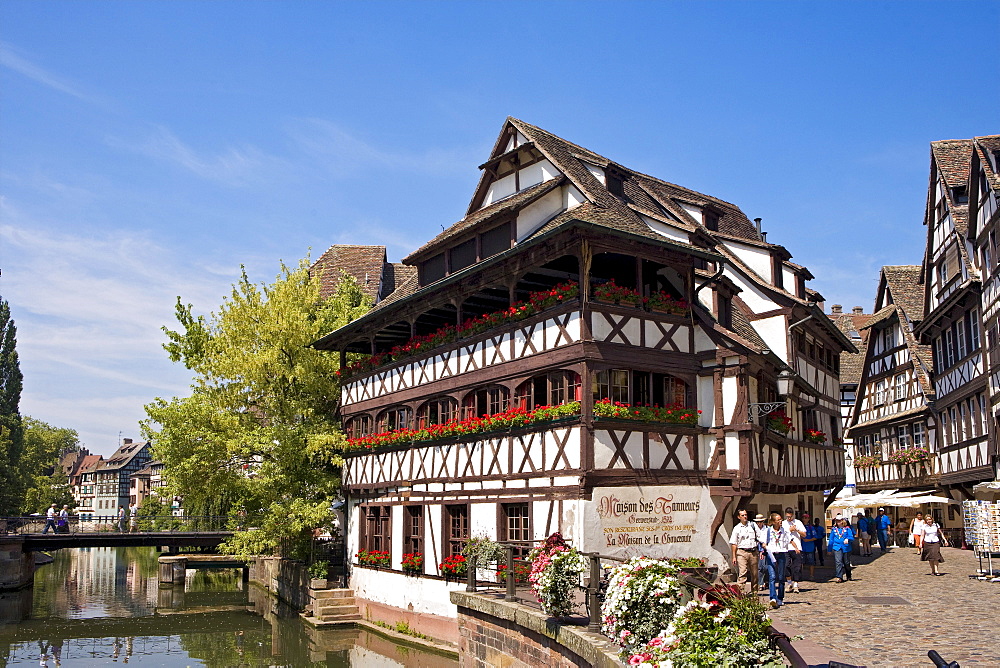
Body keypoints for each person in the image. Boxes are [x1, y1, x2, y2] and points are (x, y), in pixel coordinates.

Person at [729, 509, 762, 594]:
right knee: (742, 573)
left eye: (746, 515)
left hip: (753, 552)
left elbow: (760, 537)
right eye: (743, 515)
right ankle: (740, 593)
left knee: (754, 574)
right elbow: (734, 543)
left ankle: (754, 593)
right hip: (742, 552)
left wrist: (762, 548)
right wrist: (734, 556)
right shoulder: (736, 528)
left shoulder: (753, 525)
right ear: (739, 517)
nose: (745, 517)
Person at [762, 512, 790, 608]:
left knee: (781, 577)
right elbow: (763, 543)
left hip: (781, 554)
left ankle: (780, 598)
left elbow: (789, 540)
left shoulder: (784, 531)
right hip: (771, 555)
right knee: (772, 576)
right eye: (778, 520)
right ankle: (773, 598)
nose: (780, 521)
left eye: (781, 519)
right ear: (773, 522)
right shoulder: (767, 531)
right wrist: (765, 547)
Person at [783, 507, 805, 593]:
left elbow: (804, 534)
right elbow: (782, 534)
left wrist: (796, 530)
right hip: (786, 547)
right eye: (788, 517)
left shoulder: (798, 522)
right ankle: (789, 583)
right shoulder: (783, 524)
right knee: (786, 565)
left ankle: (796, 584)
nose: (789, 518)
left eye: (790, 517)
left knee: (797, 567)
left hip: (797, 548)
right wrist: (789, 530)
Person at [829, 515, 855, 583]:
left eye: (839, 521)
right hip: (837, 547)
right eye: (837, 521)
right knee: (838, 562)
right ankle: (839, 577)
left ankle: (848, 575)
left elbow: (852, 537)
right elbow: (831, 539)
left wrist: (847, 539)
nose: (838, 522)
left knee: (846, 562)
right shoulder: (834, 529)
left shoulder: (847, 529)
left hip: (846, 548)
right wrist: (829, 549)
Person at [754, 513, 769, 592]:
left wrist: (763, 550)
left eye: (760, 522)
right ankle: (760, 583)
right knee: (759, 568)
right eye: (758, 522)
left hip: (765, 549)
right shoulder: (754, 529)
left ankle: (766, 582)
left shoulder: (767, 529)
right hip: (756, 549)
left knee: (765, 567)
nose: (759, 523)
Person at [801, 512, 818, 580]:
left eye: (806, 518)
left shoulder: (811, 528)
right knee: (801, 562)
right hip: (801, 547)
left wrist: (808, 540)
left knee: (811, 562)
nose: (805, 519)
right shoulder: (800, 527)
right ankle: (800, 575)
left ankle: (811, 575)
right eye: (804, 518)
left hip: (810, 547)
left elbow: (815, 537)